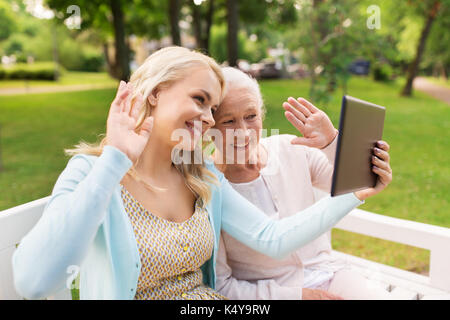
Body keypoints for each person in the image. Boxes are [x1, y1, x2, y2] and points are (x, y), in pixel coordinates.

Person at [14, 47, 370, 300]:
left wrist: (355, 193)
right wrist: (115, 159)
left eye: (213, 108)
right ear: (155, 93)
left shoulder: (199, 177)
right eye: (200, 100)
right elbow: (35, 283)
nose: (212, 119)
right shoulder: (92, 172)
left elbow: (271, 237)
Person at [213, 67, 394, 300]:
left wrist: (331, 143)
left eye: (251, 116)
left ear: (262, 113)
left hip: (331, 274)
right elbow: (223, 287)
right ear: (209, 126)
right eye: (228, 121)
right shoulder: (210, 189)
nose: (244, 132)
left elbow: (351, 184)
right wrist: (298, 296)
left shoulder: (289, 147)